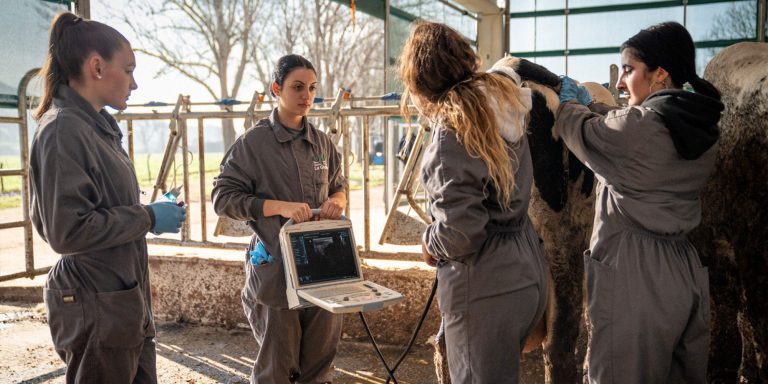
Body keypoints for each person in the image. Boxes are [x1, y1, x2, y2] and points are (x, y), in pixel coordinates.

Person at [554, 21, 723, 383]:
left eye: (628, 70)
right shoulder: (702, 130)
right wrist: (601, 108)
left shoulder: (636, 130)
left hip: (635, 277)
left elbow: (580, 130)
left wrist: (569, 101)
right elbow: (627, 128)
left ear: (660, 73)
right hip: (683, 273)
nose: (619, 82)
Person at [29, 12, 186, 383]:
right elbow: (67, 231)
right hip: (94, 302)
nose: (134, 83)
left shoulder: (96, 126)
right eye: (128, 70)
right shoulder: (63, 129)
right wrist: (147, 217)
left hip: (122, 299)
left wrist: (152, 211)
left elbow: (106, 206)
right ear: (96, 67)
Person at [398, 22, 549, 383]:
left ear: (420, 81)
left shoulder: (455, 129)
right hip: (525, 272)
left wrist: (428, 242)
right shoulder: (503, 104)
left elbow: (461, 233)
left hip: (484, 285)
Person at [212, 54, 347, 383]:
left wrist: (336, 202)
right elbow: (222, 198)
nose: (306, 96)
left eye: (312, 89)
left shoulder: (322, 143)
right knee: (278, 365)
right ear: (276, 88)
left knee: (319, 364)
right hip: (276, 266)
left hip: (322, 265)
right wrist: (278, 206)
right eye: (297, 87)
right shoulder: (253, 144)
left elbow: (339, 186)